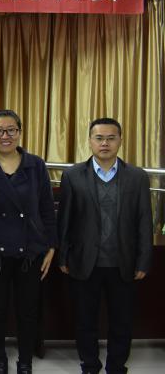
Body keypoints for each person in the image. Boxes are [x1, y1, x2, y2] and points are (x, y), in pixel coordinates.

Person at [0, 110, 57, 374]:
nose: (5, 136)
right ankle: (0, 360)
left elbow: (47, 209)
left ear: (20, 132)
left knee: (28, 311)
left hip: (30, 251)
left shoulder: (35, 165)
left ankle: (25, 361)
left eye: (11, 130)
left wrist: (51, 246)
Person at [58, 118, 153, 374]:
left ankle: (116, 366)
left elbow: (144, 220)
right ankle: (89, 365)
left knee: (122, 321)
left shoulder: (137, 177)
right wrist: (63, 257)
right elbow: (65, 220)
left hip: (124, 262)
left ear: (120, 140)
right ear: (90, 141)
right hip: (83, 261)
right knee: (85, 320)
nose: (105, 143)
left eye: (111, 138)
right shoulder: (73, 175)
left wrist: (144, 260)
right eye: (99, 138)